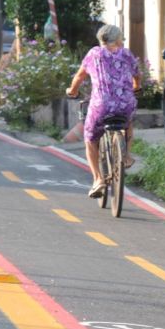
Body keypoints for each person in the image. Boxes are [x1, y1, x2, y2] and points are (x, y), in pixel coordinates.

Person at [66, 24, 141, 199]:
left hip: (102, 106)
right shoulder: (126, 54)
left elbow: (80, 76)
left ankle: (98, 179)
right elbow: (137, 75)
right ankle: (126, 156)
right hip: (125, 104)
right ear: (118, 39)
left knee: (90, 138)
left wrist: (72, 91)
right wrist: (136, 87)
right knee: (128, 122)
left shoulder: (94, 53)